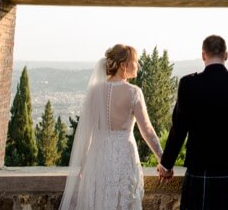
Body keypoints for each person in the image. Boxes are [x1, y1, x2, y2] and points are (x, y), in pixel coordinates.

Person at [157, 35, 228, 210]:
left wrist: (166, 164)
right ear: (226, 55)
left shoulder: (188, 84)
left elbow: (179, 129)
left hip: (199, 167)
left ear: (203, 55)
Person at [59, 44, 164, 210]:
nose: (138, 65)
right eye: (135, 61)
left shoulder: (95, 91)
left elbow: (87, 132)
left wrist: (84, 164)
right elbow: (147, 130)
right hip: (123, 157)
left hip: (97, 158)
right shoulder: (134, 92)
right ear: (123, 65)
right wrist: (162, 159)